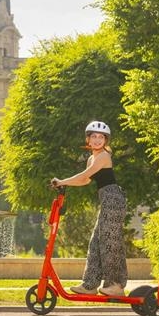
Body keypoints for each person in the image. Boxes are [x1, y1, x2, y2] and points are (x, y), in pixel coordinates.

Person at [51, 121, 128, 296]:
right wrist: (66, 184)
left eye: (101, 137)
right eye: (94, 136)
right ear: (88, 139)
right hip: (106, 200)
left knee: (110, 242)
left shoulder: (104, 156)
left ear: (106, 140)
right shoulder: (92, 158)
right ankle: (90, 285)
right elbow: (85, 180)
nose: (97, 140)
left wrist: (62, 181)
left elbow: (85, 175)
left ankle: (115, 285)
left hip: (114, 199)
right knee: (95, 243)